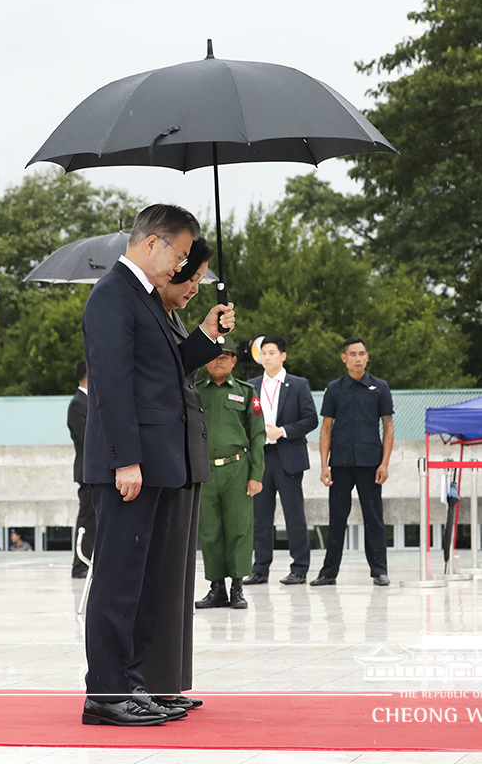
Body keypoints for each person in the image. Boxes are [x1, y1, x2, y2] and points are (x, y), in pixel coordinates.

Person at [81, 203, 232, 727]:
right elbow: (112, 385)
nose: (182, 267)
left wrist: (207, 336)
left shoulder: (145, 301)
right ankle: (105, 691)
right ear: (152, 244)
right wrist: (126, 461)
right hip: (132, 467)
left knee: (144, 582)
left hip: (158, 464)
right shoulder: (112, 297)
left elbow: (165, 374)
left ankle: (133, 683)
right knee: (119, 580)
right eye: (181, 254)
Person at [139, 237, 215, 712]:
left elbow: (178, 369)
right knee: (157, 578)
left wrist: (205, 333)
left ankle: (167, 682)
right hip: (157, 461)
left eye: (202, 280)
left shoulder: (173, 317)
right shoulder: (144, 312)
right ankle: (146, 683)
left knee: (178, 579)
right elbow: (159, 379)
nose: (193, 286)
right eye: (191, 276)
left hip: (184, 460)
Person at [312, 337, 395, 587]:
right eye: (353, 354)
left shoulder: (380, 388)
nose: (358, 358)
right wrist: (324, 465)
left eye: (362, 354)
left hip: (371, 463)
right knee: (337, 519)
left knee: (374, 518)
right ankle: (328, 573)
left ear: (367, 357)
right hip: (340, 464)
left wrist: (385, 463)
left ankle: (379, 571)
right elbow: (326, 428)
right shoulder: (334, 389)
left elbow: (388, 427)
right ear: (344, 358)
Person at [194, 339, 266, 610]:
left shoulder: (247, 393)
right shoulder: (195, 392)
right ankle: (216, 588)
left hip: (237, 469)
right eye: (214, 356)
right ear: (206, 361)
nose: (219, 361)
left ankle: (237, 586)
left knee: (239, 528)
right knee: (210, 532)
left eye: (226, 356)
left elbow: (258, 436)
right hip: (205, 470)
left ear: (234, 361)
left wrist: (256, 474)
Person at [243, 335, 318, 586]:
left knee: (294, 514)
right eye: (263, 353)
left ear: (283, 356)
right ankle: (260, 569)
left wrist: (283, 431)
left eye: (272, 352)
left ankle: (299, 568)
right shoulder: (251, 386)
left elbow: (311, 419)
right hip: (260, 457)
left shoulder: (297, 385)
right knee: (260, 516)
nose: (267, 357)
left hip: (288, 455)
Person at [68, 360, 95, 579]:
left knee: (95, 519)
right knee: (88, 519)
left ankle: (90, 562)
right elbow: (89, 439)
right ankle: (80, 566)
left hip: (96, 472)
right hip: (88, 472)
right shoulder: (78, 404)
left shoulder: (90, 402)